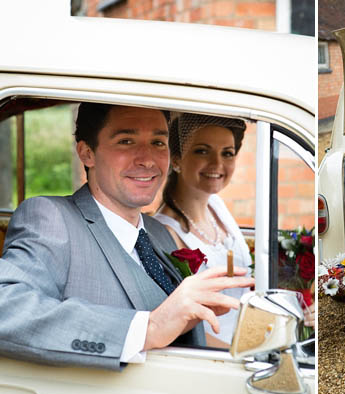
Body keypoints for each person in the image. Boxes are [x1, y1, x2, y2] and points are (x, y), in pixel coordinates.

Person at [0, 103, 253, 370]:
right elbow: (6, 308)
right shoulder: (52, 218)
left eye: (158, 142)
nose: (147, 159)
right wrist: (148, 329)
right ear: (87, 153)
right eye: (126, 141)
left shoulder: (158, 233)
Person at [154, 113, 252, 347]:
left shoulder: (217, 206)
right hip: (216, 353)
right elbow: (178, 327)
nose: (217, 164)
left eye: (227, 153)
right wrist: (239, 355)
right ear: (176, 160)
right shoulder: (165, 232)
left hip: (249, 336)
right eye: (202, 151)